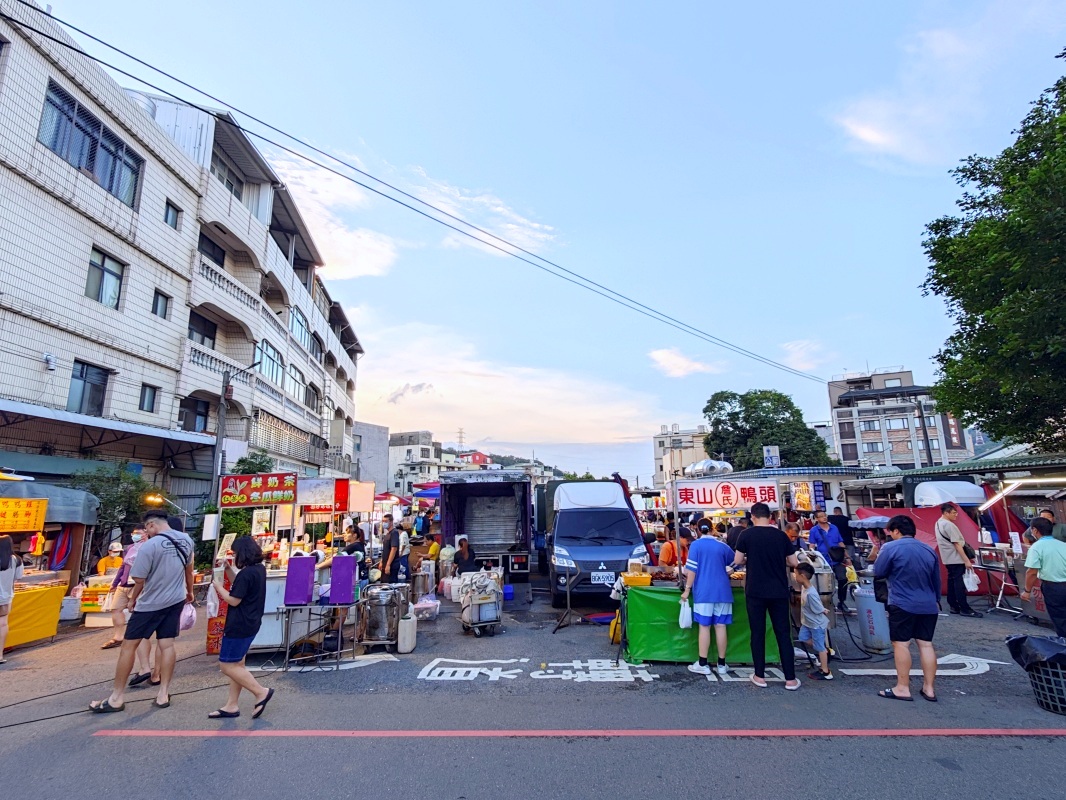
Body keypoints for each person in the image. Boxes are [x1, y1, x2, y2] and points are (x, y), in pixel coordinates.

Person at [89, 510, 194, 713]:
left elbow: (138, 579)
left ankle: (117, 697)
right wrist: (189, 592)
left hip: (150, 603)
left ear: (152, 525)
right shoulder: (186, 540)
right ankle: (163, 694)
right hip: (176, 599)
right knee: (167, 644)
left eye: (146, 528)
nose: (145, 532)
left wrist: (133, 600)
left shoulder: (149, 546)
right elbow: (188, 570)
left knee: (129, 646)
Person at [733, 503, 800, 690]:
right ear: (770, 516)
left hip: (755, 591)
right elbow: (794, 562)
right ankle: (790, 679)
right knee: (784, 634)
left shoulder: (746, 535)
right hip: (779, 590)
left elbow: (738, 560)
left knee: (758, 632)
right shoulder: (781, 535)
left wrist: (750, 558)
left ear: (753, 517)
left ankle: (760, 676)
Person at [874, 514, 941, 702]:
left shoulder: (890, 548)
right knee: (926, 644)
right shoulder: (928, 550)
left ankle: (903, 687)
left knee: (901, 644)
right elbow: (936, 580)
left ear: (896, 531)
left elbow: (879, 571)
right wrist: (935, 599)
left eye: (891, 532)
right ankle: (929, 688)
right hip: (929, 604)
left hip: (902, 602)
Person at [208, 536, 274, 720]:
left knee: (227, 664)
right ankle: (231, 705)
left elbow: (233, 599)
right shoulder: (258, 570)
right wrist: (229, 570)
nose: (234, 556)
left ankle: (260, 692)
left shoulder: (247, 573)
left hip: (239, 624)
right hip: (251, 622)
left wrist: (218, 586)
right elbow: (240, 586)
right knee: (238, 664)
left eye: (235, 553)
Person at [681, 529, 735, 676]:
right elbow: (738, 560)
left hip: (704, 592)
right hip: (723, 591)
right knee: (721, 625)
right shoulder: (722, 546)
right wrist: (730, 570)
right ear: (712, 530)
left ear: (698, 530)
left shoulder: (696, 546)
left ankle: (703, 663)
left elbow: (691, 571)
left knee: (704, 626)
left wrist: (687, 589)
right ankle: (722, 664)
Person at [101, 529, 148, 651]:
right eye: (133, 534)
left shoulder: (149, 548)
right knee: (116, 609)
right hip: (124, 583)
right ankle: (118, 636)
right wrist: (116, 582)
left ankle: (137, 636)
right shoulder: (130, 548)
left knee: (138, 611)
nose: (135, 536)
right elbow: (123, 566)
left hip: (138, 583)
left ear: (146, 534)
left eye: (138, 533)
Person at [934, 503, 982, 618]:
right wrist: (966, 560)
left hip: (947, 558)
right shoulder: (949, 525)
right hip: (956, 558)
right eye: (954, 512)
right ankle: (964, 608)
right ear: (946, 513)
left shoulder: (938, 523)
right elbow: (957, 544)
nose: (956, 515)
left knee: (952, 582)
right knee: (959, 584)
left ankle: (953, 605)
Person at [1022, 517, 1066, 638]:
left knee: (1060, 619)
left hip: (1054, 588)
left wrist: (1027, 591)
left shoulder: (1036, 547)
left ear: (1035, 530)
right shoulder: (1063, 545)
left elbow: (1031, 572)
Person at [794, 562, 832, 681]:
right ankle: (825, 651)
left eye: (796, 574)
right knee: (803, 637)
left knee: (820, 647)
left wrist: (823, 610)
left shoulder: (811, 593)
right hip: (807, 622)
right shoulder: (804, 588)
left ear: (803, 576)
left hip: (816, 624)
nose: (795, 577)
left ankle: (825, 671)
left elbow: (818, 608)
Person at [809, 510, 850, 614]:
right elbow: (812, 545)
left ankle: (842, 602)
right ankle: (827, 603)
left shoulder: (834, 528)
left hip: (838, 559)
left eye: (825, 515)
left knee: (843, 579)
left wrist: (847, 557)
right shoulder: (814, 530)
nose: (824, 517)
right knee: (826, 583)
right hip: (824, 560)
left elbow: (840, 542)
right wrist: (812, 557)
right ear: (817, 519)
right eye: (821, 516)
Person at [0, 535, 25, 664]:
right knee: (3, 623)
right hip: (5, 597)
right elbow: (18, 577)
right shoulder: (16, 560)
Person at [379, 514, 402, 582]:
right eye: (383, 521)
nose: (384, 523)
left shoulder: (394, 533)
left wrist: (388, 565)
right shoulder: (387, 534)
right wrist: (382, 561)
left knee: (389, 587)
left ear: (391, 522)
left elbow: (393, 549)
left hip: (392, 565)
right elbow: (386, 550)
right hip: (385, 564)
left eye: (386, 521)